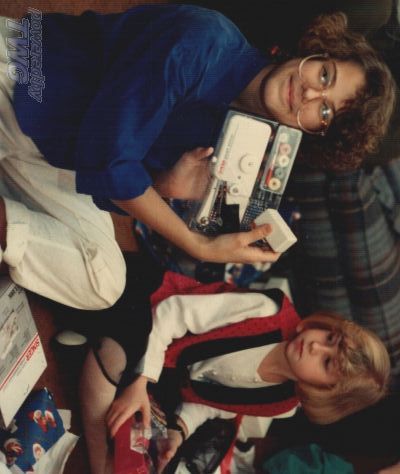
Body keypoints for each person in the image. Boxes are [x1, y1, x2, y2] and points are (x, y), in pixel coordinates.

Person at [0, 4, 395, 309]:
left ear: (313, 133)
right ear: (315, 53)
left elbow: (103, 182)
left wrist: (163, 185)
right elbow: (110, 163)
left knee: (104, 282)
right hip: (25, 82)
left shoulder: (240, 135)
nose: (310, 94)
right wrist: (198, 244)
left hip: (50, 155)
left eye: (324, 111)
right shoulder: (203, 41)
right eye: (324, 75)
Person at [79, 271, 390, 474]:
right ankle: (99, 461)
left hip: (164, 377)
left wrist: (179, 429)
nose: (315, 346)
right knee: (114, 356)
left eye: (326, 363)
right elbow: (172, 313)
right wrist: (141, 381)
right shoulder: (268, 310)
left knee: (155, 452)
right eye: (329, 339)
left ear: (324, 390)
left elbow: (213, 405)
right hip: (149, 315)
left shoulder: (282, 405)